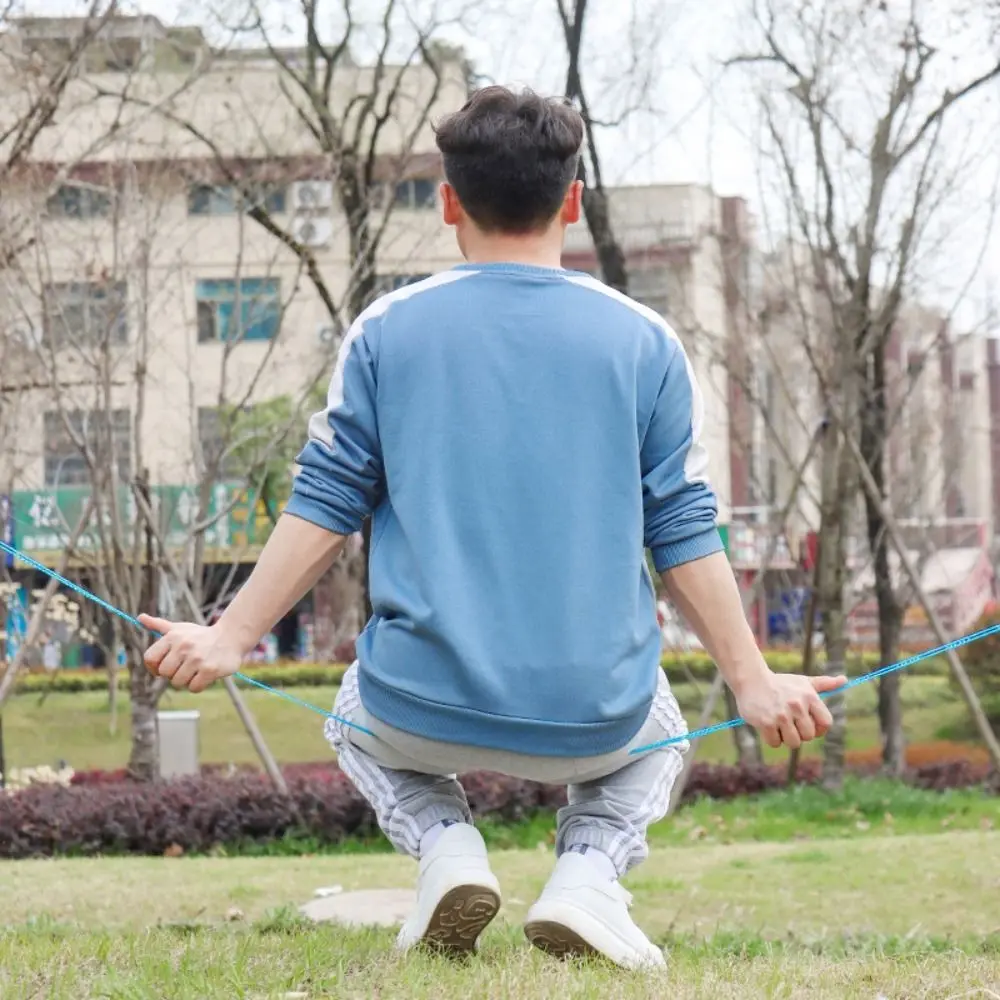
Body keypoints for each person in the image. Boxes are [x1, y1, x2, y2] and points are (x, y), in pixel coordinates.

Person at [141, 86, 844, 970]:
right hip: (598, 715)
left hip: (416, 705)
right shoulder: (645, 341)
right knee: (661, 720)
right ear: (574, 200)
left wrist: (232, 636)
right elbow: (683, 526)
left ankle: (447, 851)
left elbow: (326, 499)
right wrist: (750, 680)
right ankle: (587, 873)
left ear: (447, 201)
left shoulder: (386, 330)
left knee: (350, 710)